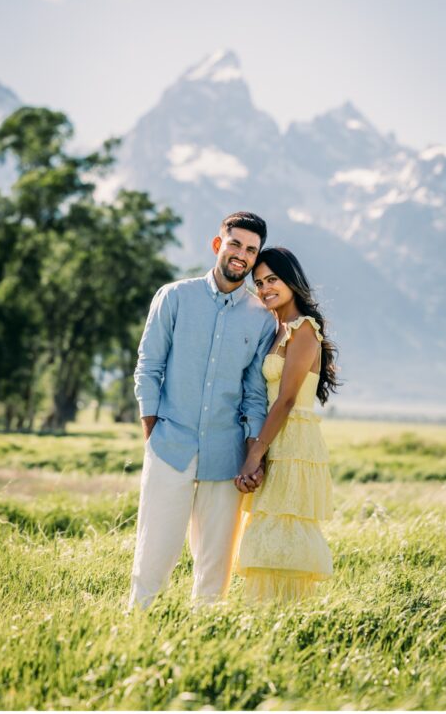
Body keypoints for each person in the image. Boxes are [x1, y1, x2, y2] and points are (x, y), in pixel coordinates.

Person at [128, 212, 278, 610]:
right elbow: (149, 366)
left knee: (215, 566)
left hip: (226, 454)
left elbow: (254, 396)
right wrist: (153, 433)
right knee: (154, 549)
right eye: (235, 244)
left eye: (251, 250)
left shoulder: (262, 319)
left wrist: (250, 456)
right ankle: (137, 623)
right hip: (170, 445)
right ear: (218, 245)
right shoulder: (174, 297)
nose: (241, 255)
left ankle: (205, 635)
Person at [232, 246, 340, 601]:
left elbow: (287, 399)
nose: (264, 289)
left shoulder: (304, 330)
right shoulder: (278, 328)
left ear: (291, 280)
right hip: (275, 435)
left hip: (293, 440)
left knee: (285, 527)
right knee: (268, 527)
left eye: (272, 280)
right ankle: (266, 614)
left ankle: (288, 613)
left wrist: (253, 455)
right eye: (259, 282)